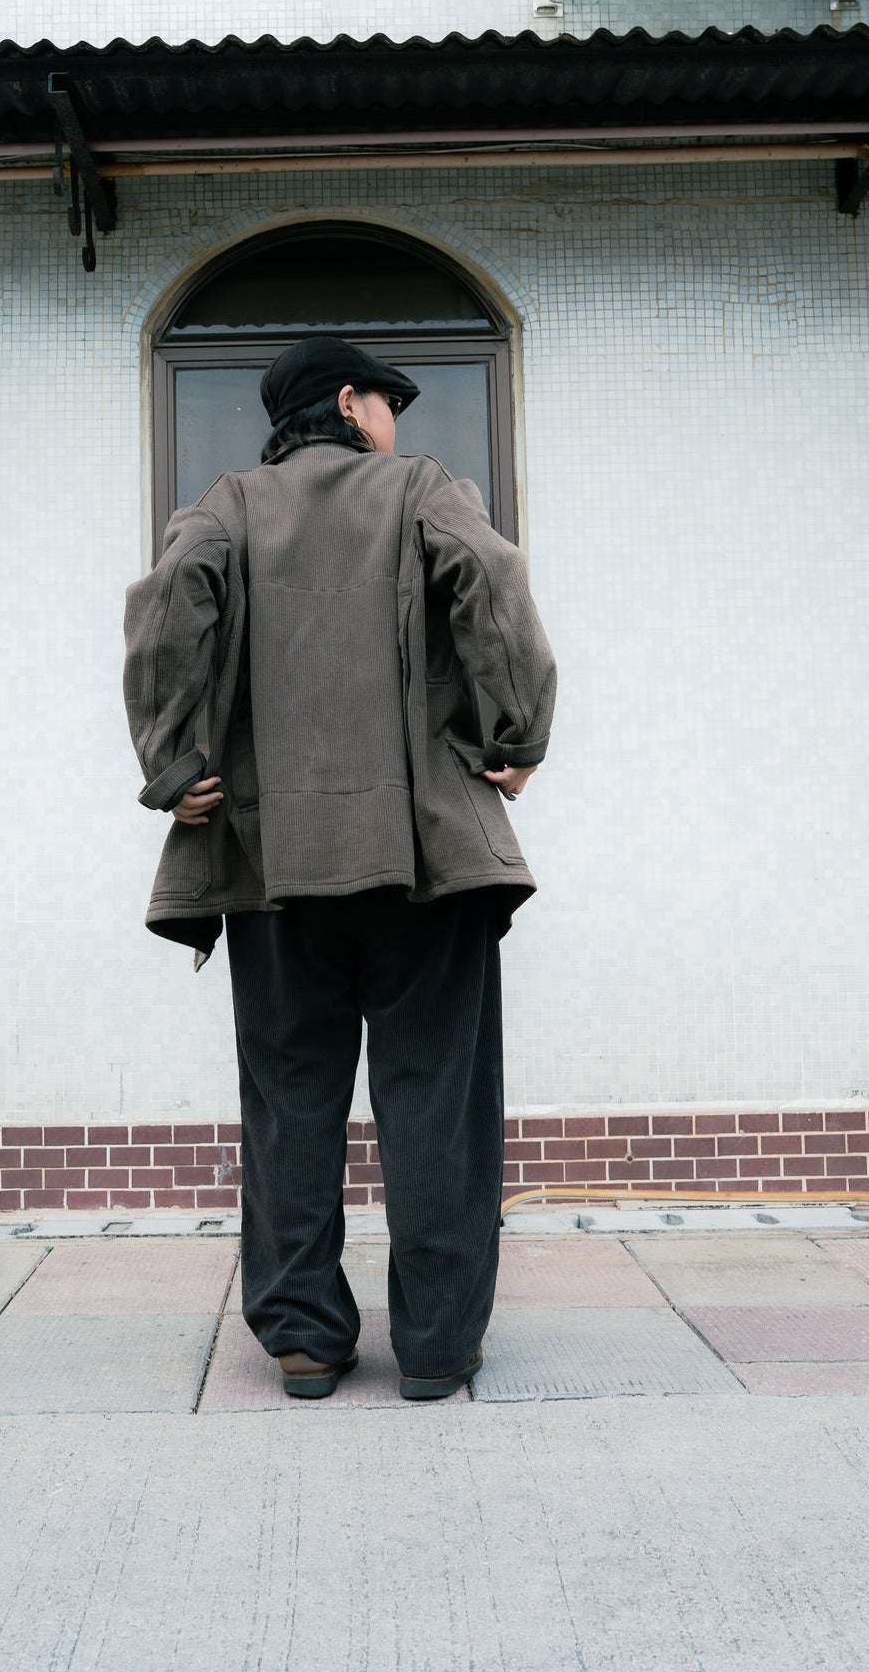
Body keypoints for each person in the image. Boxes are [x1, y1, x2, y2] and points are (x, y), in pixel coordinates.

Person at [123, 334, 556, 1400]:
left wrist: (173, 763)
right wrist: (515, 735)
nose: (395, 423)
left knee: (288, 1101)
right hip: (425, 866)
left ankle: (306, 1339)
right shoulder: (419, 492)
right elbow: (493, 582)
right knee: (436, 1104)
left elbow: (165, 608)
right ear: (353, 404)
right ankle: (438, 1346)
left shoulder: (224, 505)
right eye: (388, 403)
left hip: (274, 865)